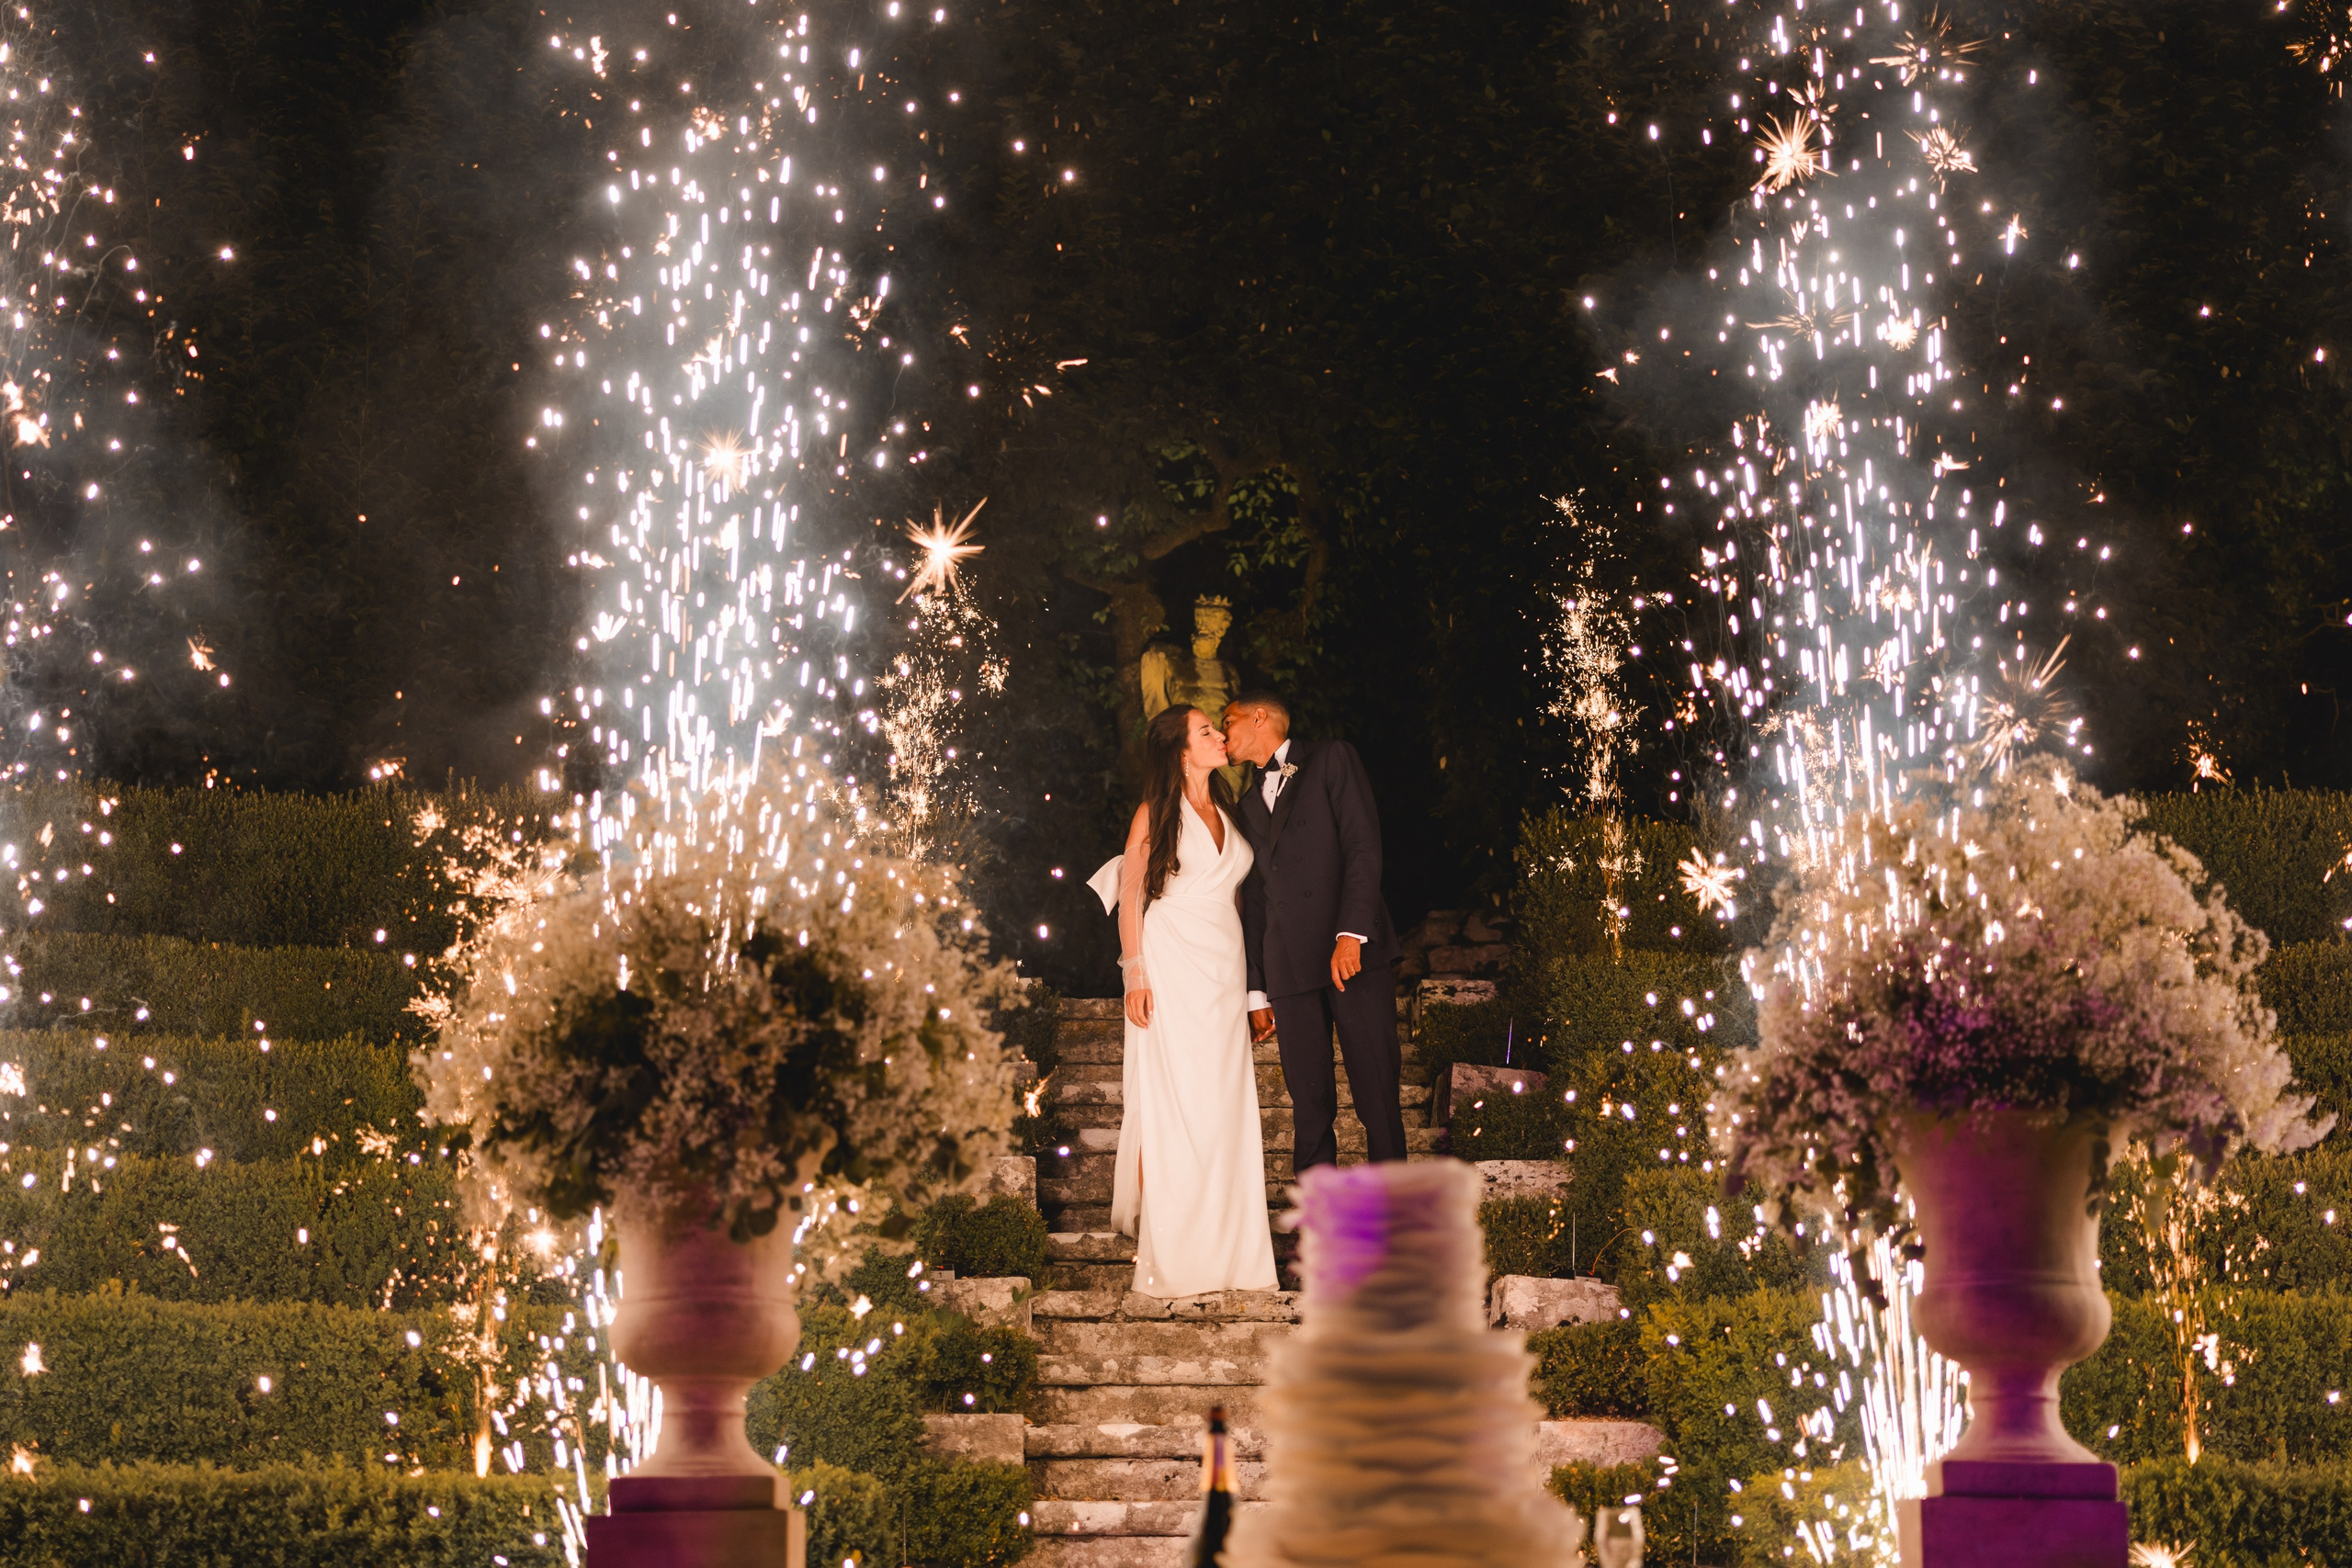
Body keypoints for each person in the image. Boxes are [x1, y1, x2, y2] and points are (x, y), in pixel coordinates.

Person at [1085, 705, 1279, 1298]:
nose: (1220, 736)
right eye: (1206, 732)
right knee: (1180, 1107)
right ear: (1180, 750)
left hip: (1224, 970)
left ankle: (1241, 1259)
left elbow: (1241, 902)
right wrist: (1135, 974)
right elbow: (1133, 892)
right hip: (1172, 966)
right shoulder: (1155, 812)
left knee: (1226, 1108)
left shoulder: (1231, 809)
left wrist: (1252, 989)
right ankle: (1177, 1256)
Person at [1221, 692, 1408, 1178]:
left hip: (1351, 956)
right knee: (1309, 1106)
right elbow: (1256, 900)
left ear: (1259, 717)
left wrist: (1352, 934)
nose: (1223, 734)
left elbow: (1362, 847)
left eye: (1229, 721)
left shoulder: (1330, 758)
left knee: (1376, 1094)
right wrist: (1257, 988)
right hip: (1289, 972)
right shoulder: (1244, 804)